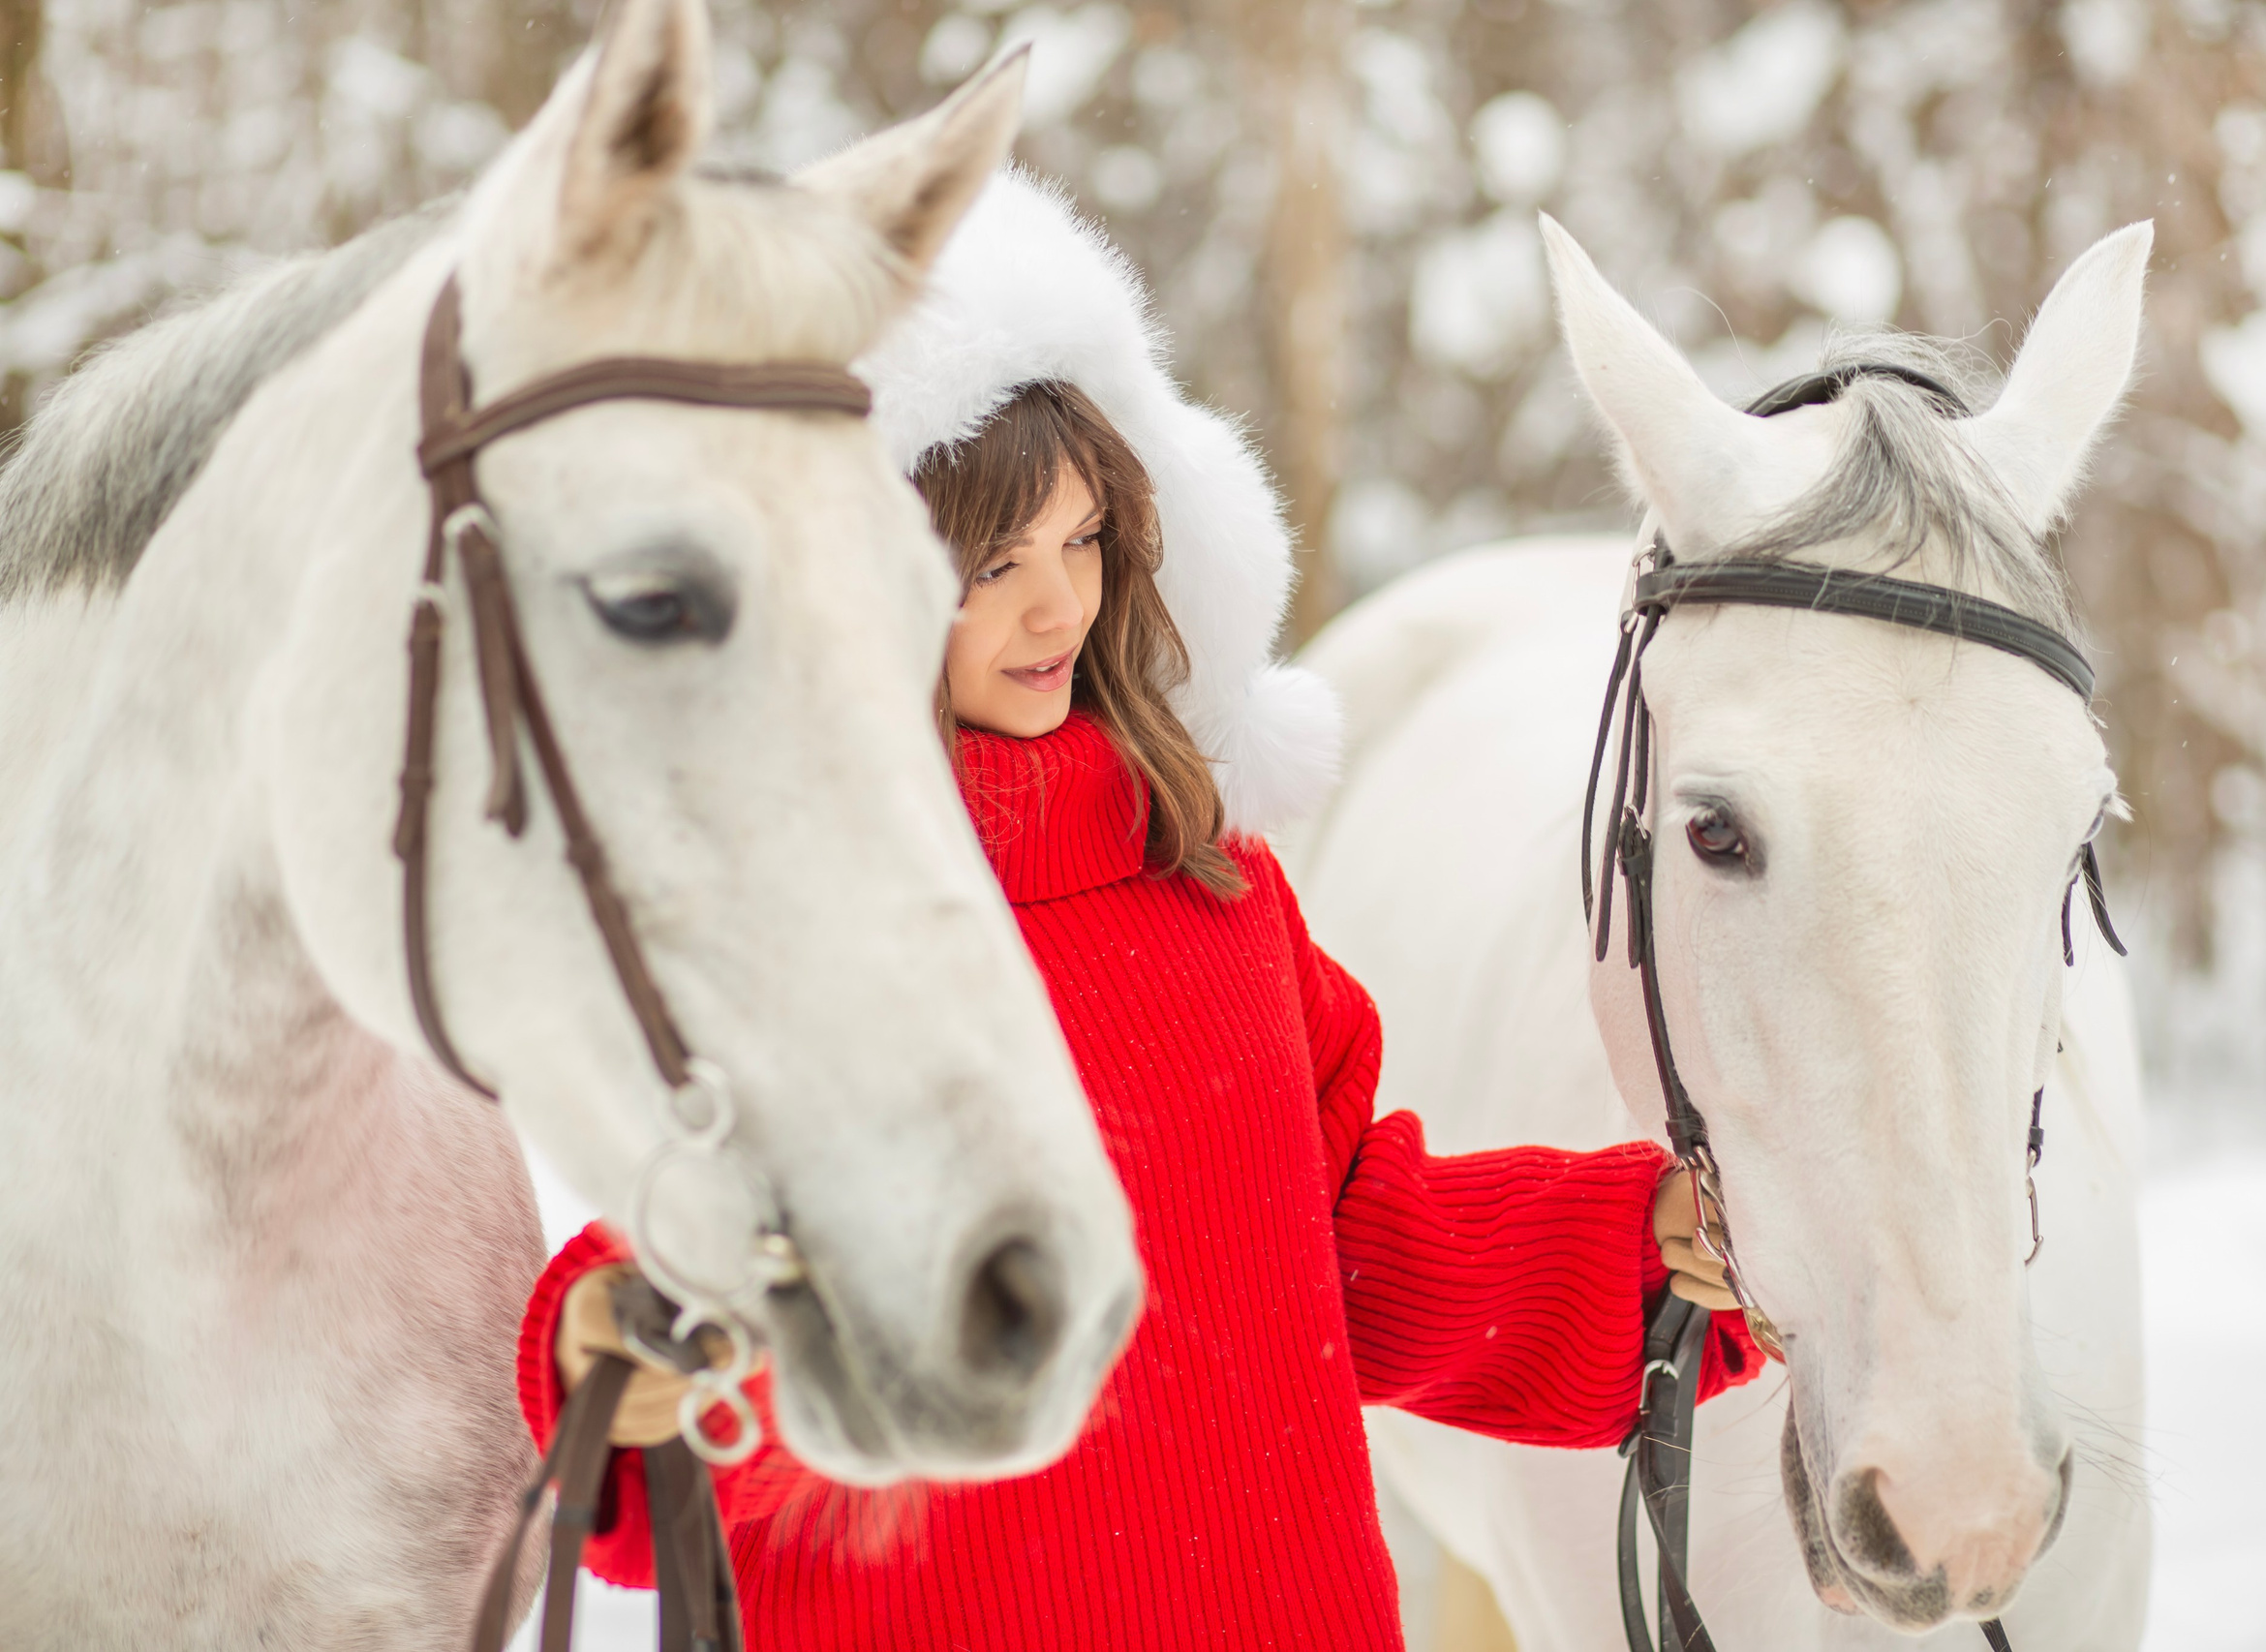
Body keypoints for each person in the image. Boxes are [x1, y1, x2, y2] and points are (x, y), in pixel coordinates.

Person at [517, 173, 1761, 1650]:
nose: (1056, 609)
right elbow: (682, 1258)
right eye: (993, 565)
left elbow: (1345, 1238)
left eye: (1081, 542)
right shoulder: (771, 940)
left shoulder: (1216, 891)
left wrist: (1634, 1241)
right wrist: (604, 1339)